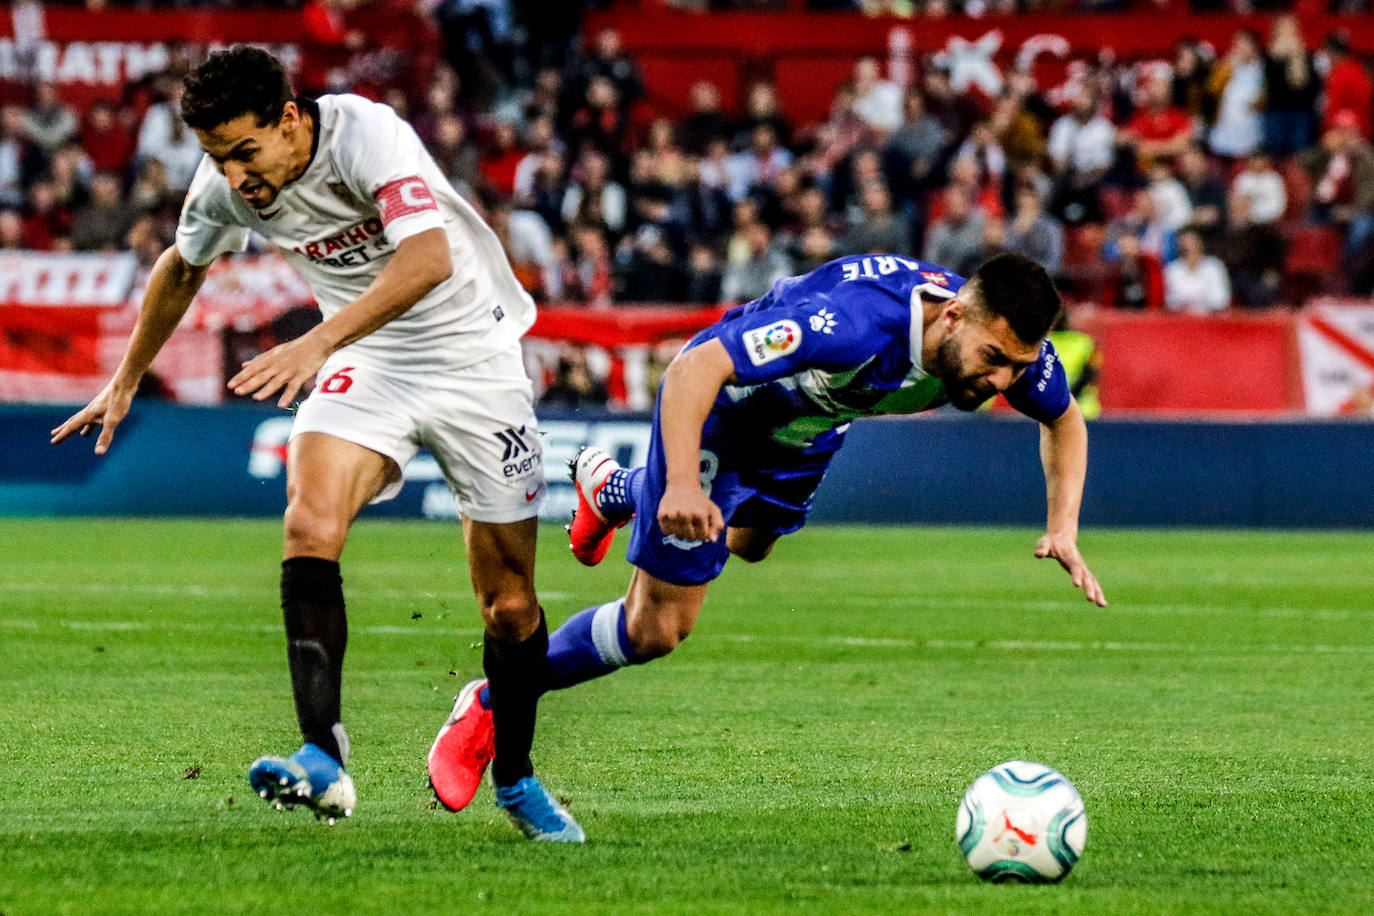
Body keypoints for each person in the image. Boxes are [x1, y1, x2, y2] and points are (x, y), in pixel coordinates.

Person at [48, 46, 581, 842]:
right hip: (372, 363)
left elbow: (428, 258)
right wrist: (126, 380)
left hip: (476, 362)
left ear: (290, 120)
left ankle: (514, 774)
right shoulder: (228, 185)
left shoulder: (365, 133)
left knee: (508, 608)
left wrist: (315, 341)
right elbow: (182, 266)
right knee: (309, 522)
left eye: (244, 152)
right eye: (215, 158)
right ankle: (323, 758)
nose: (233, 177)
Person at [429, 252, 1108, 823]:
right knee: (658, 631)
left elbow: (1066, 421)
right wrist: (684, 488)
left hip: (808, 430)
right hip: (724, 413)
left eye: (1016, 367)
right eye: (994, 360)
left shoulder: (1002, 341)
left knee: (751, 544)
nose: (1000, 382)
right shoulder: (850, 326)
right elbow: (695, 370)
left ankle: (611, 490)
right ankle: (493, 699)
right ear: (954, 314)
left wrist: (1063, 527)